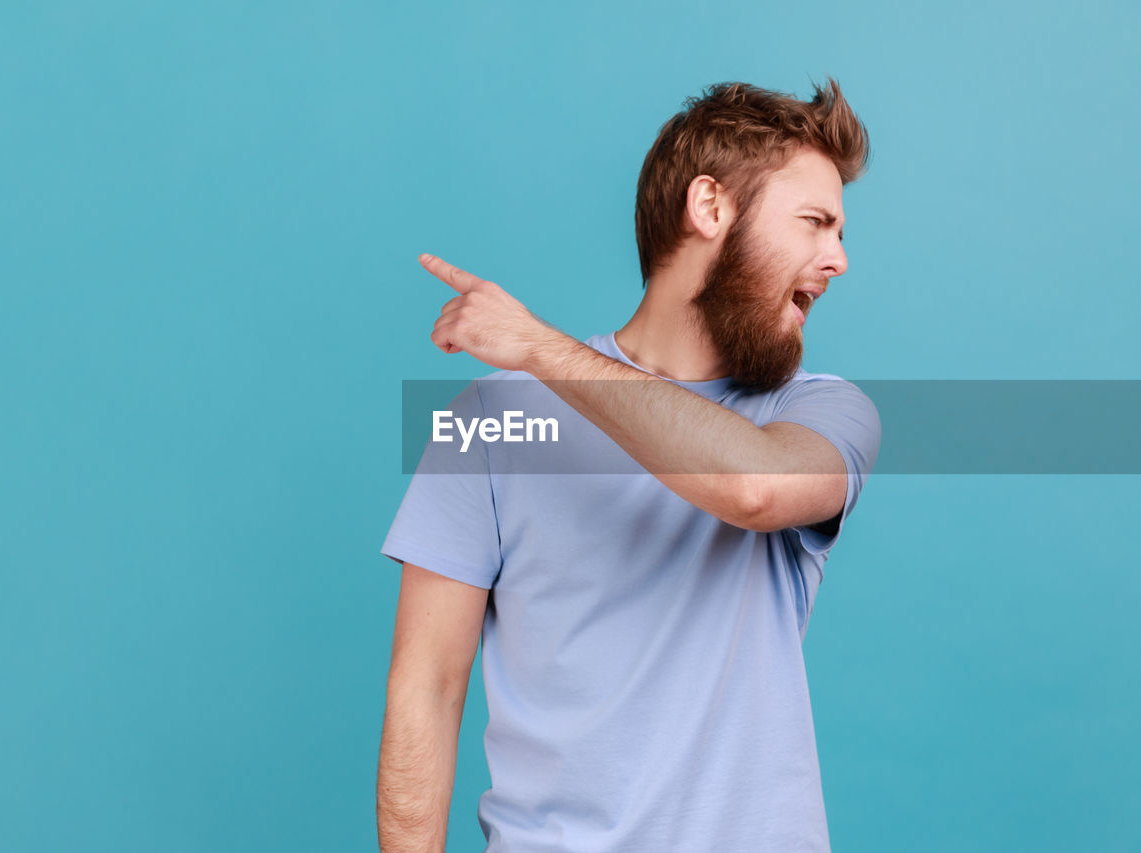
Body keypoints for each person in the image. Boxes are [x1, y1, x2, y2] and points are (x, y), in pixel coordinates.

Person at [377, 79, 881, 852]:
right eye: (815, 222)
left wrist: (541, 349)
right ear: (709, 208)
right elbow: (427, 688)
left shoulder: (823, 413)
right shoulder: (494, 418)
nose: (839, 258)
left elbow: (755, 488)